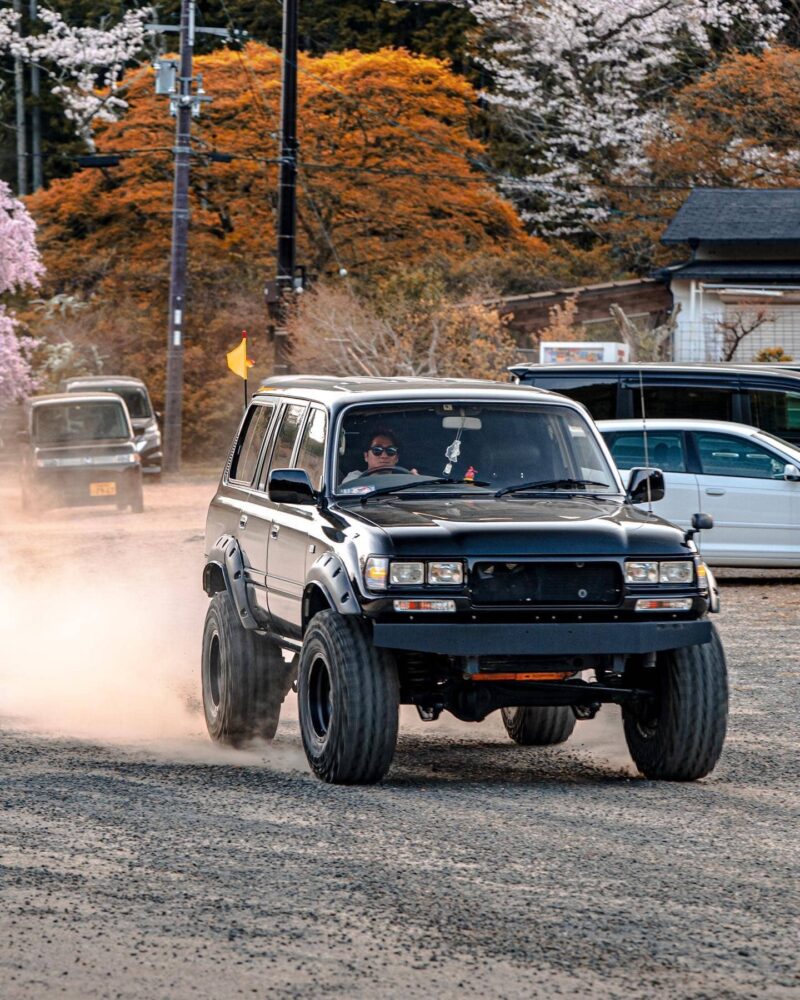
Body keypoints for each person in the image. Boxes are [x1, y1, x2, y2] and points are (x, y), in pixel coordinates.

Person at [342, 428, 414, 483]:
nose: (384, 456)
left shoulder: (404, 481)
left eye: (391, 450)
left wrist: (415, 481)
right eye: (377, 450)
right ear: (366, 456)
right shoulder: (354, 479)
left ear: (397, 458)